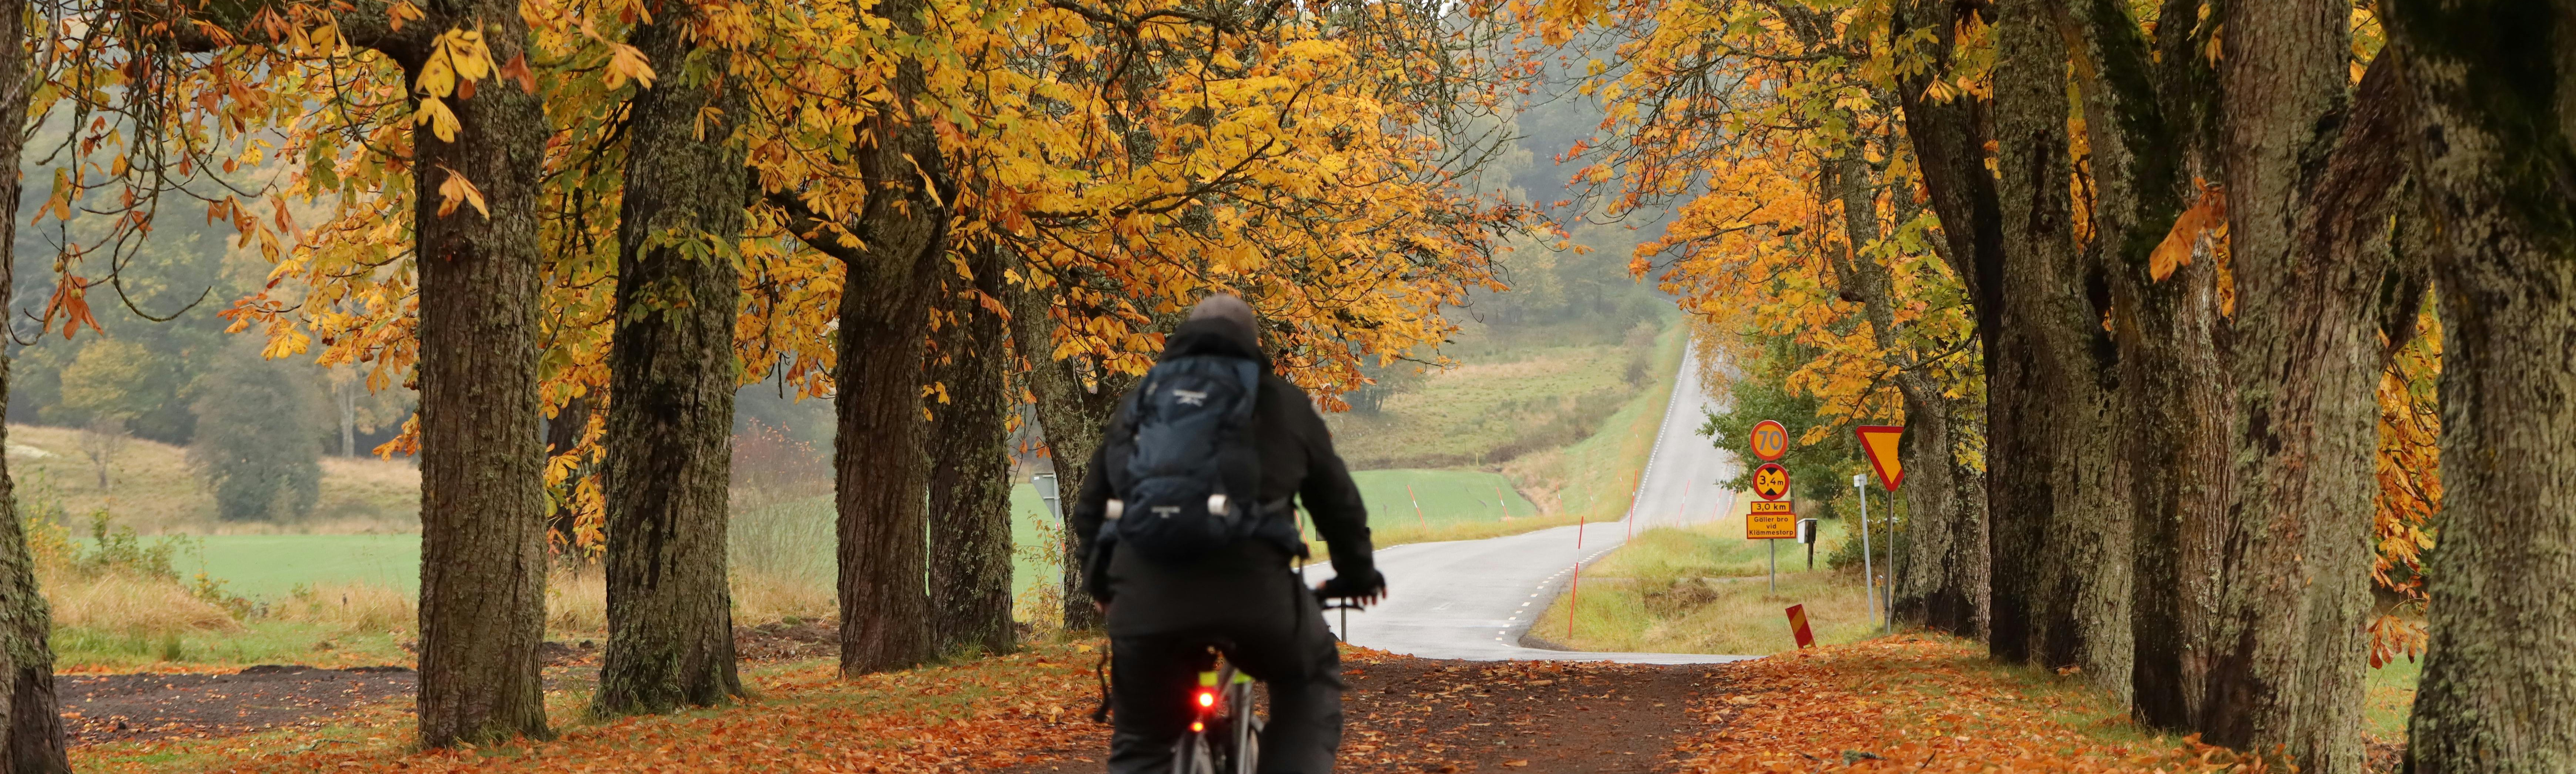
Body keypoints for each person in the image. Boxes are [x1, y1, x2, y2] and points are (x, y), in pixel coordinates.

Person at [1070, 294, 1386, 774]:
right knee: (1308, 680)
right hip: (1254, 591)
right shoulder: (1280, 400)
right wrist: (1358, 573)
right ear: (1252, 342)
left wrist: (1103, 587)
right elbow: (1338, 502)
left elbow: (1091, 505)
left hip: (1147, 593)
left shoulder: (1143, 402)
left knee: (1141, 743)